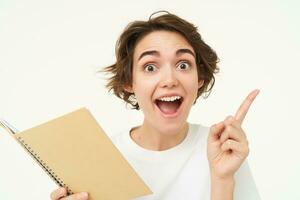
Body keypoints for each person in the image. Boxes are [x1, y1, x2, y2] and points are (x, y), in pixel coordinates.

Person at [50, 11, 260, 200]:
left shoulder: (224, 150)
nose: (169, 80)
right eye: (150, 67)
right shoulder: (101, 161)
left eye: (183, 65)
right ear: (129, 82)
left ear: (199, 78)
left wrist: (222, 180)